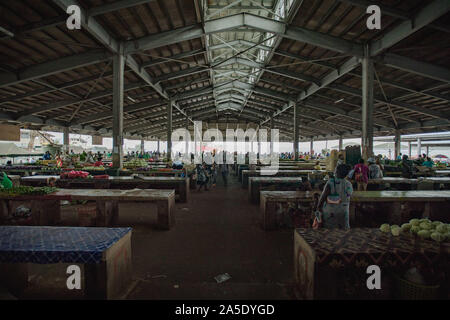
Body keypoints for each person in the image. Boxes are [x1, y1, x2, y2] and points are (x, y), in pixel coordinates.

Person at [315, 164, 353, 229]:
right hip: (343, 212)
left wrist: (318, 208)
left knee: (329, 229)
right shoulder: (348, 184)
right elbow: (348, 195)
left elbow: (323, 197)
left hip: (330, 212)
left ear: (336, 172)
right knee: (343, 230)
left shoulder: (330, 182)